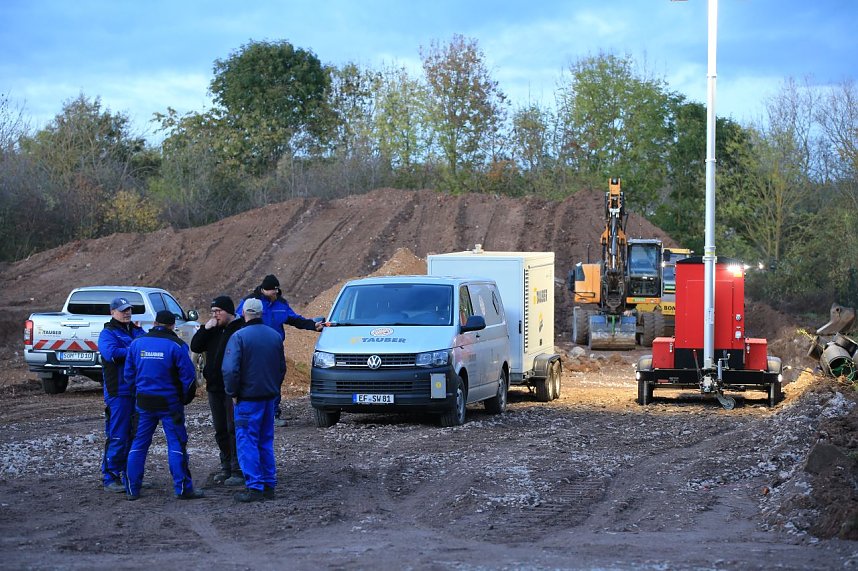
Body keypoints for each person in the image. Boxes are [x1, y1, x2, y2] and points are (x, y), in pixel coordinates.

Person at [124, 310, 203, 501]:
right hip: (170, 403)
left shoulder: (137, 343)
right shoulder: (177, 345)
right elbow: (188, 378)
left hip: (144, 402)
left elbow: (128, 375)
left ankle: (132, 489)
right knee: (176, 443)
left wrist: (138, 392)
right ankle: (183, 489)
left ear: (154, 323)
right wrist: (183, 399)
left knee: (139, 444)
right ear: (172, 326)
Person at [236, 274, 324, 427]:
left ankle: (273, 413)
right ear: (264, 289)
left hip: (274, 349)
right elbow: (237, 320)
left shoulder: (281, 303)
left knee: (276, 379)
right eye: (272, 290)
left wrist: (312, 325)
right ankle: (254, 414)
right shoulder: (250, 302)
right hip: (253, 351)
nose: (275, 293)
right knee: (255, 381)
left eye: (277, 290)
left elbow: (295, 319)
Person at [222, 298, 286, 503]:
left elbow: (230, 370)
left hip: (247, 400)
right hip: (268, 398)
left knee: (247, 442)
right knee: (265, 442)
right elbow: (281, 368)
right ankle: (268, 485)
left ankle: (255, 486)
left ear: (244, 313)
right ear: (261, 313)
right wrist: (273, 388)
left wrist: (233, 392)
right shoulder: (274, 336)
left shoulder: (239, 337)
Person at [190, 295, 244, 486]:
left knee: (233, 428)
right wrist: (205, 329)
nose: (215, 315)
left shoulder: (239, 329)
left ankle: (238, 469)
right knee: (220, 429)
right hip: (214, 387)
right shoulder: (212, 330)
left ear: (228, 311)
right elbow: (195, 346)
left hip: (232, 388)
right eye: (212, 311)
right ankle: (226, 466)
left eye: (218, 311)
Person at [98, 296, 145, 493]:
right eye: (123, 310)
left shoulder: (136, 330)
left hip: (137, 390)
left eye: (128, 309)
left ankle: (130, 476)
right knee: (118, 434)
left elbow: (147, 345)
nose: (127, 313)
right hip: (118, 391)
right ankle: (110, 476)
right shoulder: (107, 333)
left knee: (135, 435)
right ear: (113, 312)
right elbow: (111, 354)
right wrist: (134, 350)